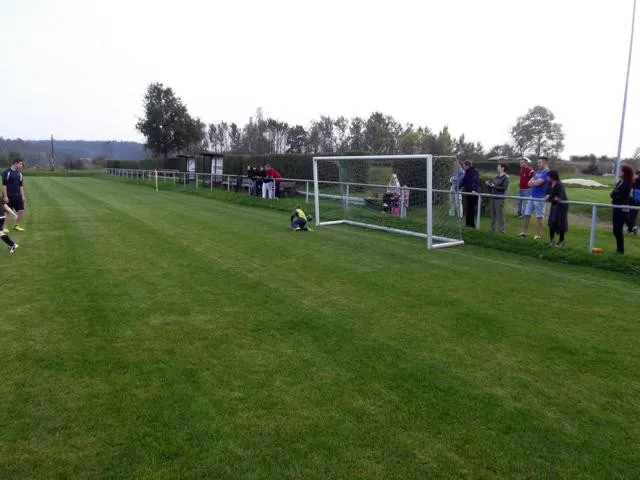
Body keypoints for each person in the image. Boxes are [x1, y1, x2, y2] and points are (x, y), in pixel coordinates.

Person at [519, 156, 550, 240]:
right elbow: (529, 183)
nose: (538, 164)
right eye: (538, 163)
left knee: (539, 216)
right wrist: (534, 182)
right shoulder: (538, 172)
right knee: (527, 214)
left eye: (540, 163)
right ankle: (524, 233)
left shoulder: (547, 172)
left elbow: (537, 183)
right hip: (532, 196)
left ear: (545, 163)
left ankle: (538, 236)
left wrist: (534, 182)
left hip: (540, 197)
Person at [611, 164, 634, 254]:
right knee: (616, 230)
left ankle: (620, 250)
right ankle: (620, 249)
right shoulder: (621, 182)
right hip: (616, 207)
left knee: (617, 230)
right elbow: (612, 194)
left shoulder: (627, 184)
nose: (618, 172)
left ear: (625, 173)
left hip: (621, 208)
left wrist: (615, 195)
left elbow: (616, 195)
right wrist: (615, 195)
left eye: (620, 170)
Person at [545, 170, 569, 247]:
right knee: (552, 221)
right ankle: (551, 241)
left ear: (552, 177)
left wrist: (549, 198)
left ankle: (561, 241)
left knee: (561, 222)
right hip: (554, 205)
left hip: (562, 206)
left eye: (548, 176)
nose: (547, 178)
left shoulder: (559, 185)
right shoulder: (549, 184)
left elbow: (559, 197)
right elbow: (547, 195)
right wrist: (549, 197)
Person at [2, 158, 25, 232]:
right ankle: (4, 227)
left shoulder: (19, 173)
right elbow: (4, 185)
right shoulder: (7, 172)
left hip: (18, 196)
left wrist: (22, 196)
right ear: (15, 163)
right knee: (7, 212)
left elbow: (21, 185)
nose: (21, 165)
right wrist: (5, 196)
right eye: (20, 164)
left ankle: (16, 225)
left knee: (21, 210)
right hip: (9, 196)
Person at [486, 163, 509, 233]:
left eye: (498, 166)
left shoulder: (505, 177)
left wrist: (494, 186)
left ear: (503, 168)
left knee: (499, 214)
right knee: (492, 214)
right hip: (493, 197)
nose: (497, 168)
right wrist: (489, 184)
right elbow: (493, 186)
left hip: (499, 198)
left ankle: (501, 230)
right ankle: (492, 228)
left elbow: (504, 188)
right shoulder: (497, 177)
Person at [460, 159, 480, 228]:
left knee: (471, 208)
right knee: (468, 208)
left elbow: (475, 181)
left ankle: (471, 225)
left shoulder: (475, 171)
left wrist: (474, 190)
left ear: (468, 166)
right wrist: (457, 187)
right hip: (468, 192)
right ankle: (468, 224)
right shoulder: (466, 172)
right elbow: (464, 181)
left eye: (464, 166)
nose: (463, 167)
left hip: (474, 193)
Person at [624, 169, 640, 234]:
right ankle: (632, 228)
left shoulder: (634, 181)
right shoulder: (634, 180)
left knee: (628, 215)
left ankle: (632, 228)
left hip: (632, 200)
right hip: (637, 201)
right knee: (633, 215)